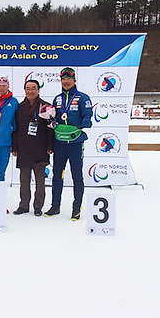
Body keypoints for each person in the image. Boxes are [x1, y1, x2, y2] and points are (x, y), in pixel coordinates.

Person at [44, 67, 93, 220]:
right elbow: (53, 118)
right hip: (60, 143)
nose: (66, 81)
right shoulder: (57, 99)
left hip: (75, 142)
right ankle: (55, 205)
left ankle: (76, 208)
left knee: (77, 175)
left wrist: (82, 124)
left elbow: (88, 117)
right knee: (57, 175)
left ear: (74, 80)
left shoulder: (82, 98)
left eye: (69, 78)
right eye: (63, 79)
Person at [12, 80, 54, 217]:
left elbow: (51, 129)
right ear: (24, 90)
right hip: (24, 149)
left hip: (41, 148)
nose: (31, 91)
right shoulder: (18, 107)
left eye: (34, 88)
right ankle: (23, 205)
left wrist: (50, 146)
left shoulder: (46, 107)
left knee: (40, 181)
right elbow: (15, 129)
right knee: (24, 181)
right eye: (28, 88)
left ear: (38, 90)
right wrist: (15, 147)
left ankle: (38, 206)